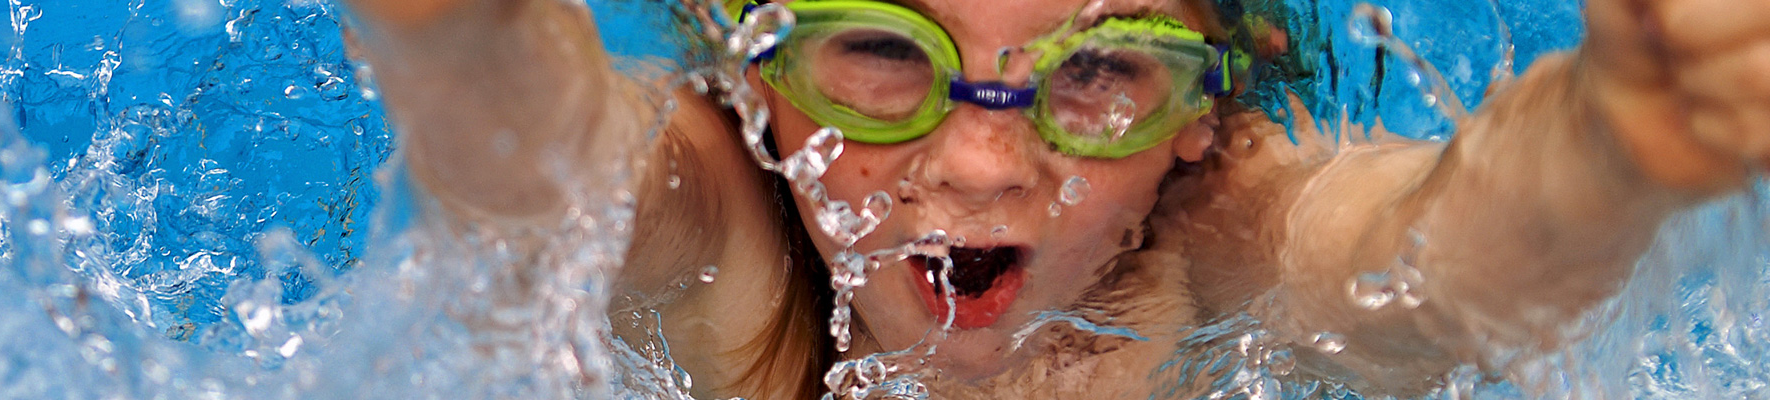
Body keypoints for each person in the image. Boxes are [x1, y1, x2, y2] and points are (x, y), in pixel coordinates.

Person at [341, 0, 1770, 398]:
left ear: (1201, 113)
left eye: (1099, 73)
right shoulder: (727, 220)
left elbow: (1415, 267)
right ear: (753, 65)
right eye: (882, 54)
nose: (981, 165)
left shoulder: (1219, 231)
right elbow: (554, 167)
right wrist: (454, 36)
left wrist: (1605, 146)